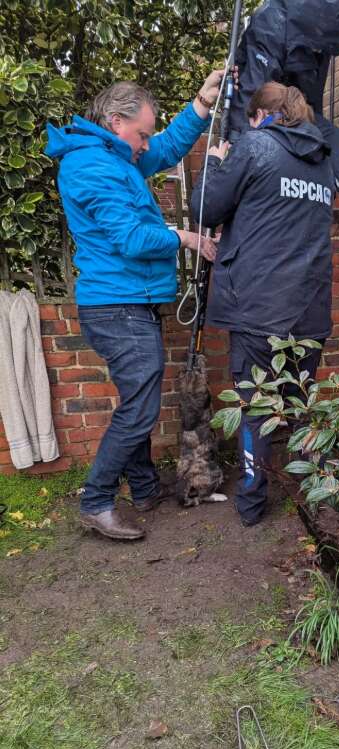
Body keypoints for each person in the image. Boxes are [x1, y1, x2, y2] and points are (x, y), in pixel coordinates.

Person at [45, 72, 223, 541]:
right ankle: (97, 500)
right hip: (117, 307)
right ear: (116, 120)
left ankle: (144, 488)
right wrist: (185, 237)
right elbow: (131, 238)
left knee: (136, 403)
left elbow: (165, 149)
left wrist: (202, 105)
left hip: (129, 303)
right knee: (140, 412)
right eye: (142, 133)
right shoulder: (93, 166)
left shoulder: (115, 156)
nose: (146, 143)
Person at [191, 82, 334, 526]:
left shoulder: (255, 146)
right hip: (310, 308)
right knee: (301, 403)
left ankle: (252, 504)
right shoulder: (323, 161)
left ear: (258, 116)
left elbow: (205, 210)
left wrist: (214, 165)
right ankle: (318, 492)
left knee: (256, 408)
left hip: (258, 309)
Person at [228, 0, 339, 236]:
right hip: (267, 104)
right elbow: (253, 98)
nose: (319, 53)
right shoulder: (270, 24)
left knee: (329, 137)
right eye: (316, 48)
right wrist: (239, 146)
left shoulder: (332, 11)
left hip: (303, 106)